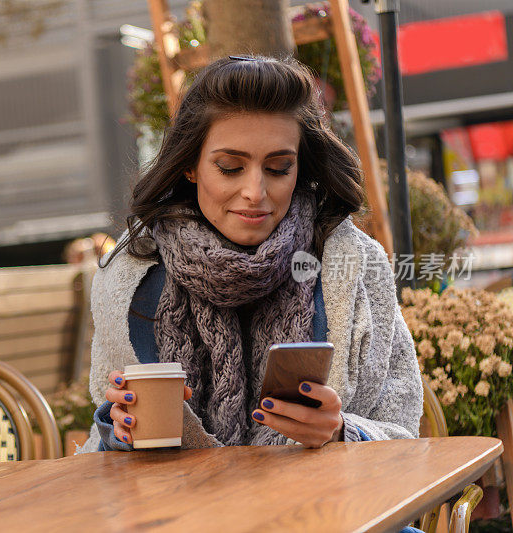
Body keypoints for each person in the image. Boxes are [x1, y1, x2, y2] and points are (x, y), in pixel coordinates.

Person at [78, 56, 423, 454]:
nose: (255, 192)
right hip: (177, 511)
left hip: (328, 510)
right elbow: (104, 443)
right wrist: (117, 430)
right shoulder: (130, 270)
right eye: (229, 167)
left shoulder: (352, 261)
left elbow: (402, 432)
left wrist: (343, 431)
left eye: (278, 168)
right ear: (190, 165)